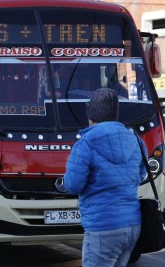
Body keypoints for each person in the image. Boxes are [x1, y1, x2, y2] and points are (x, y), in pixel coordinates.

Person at [63, 88, 147, 267]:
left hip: (103, 225)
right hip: (132, 225)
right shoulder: (136, 140)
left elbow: (73, 185)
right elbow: (140, 175)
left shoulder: (85, 144)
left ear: (91, 115)